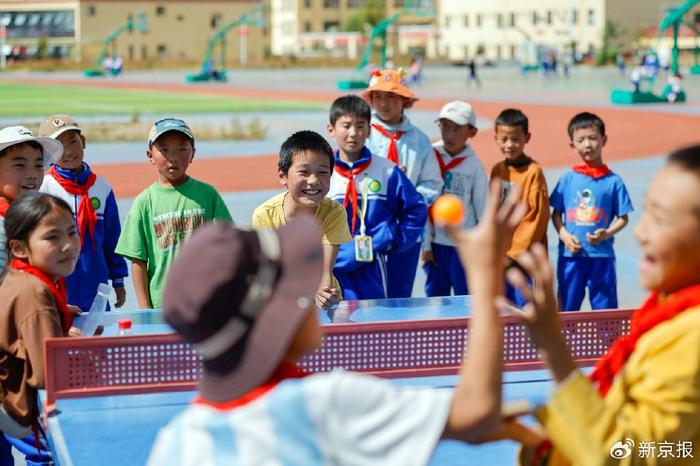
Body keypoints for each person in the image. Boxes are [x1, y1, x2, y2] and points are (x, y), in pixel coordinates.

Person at [147, 179, 528, 466]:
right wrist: (485, 275)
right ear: (274, 317)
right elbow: (476, 411)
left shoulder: (176, 441)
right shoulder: (325, 404)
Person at [500, 145, 700, 466]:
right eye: (647, 212)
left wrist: (554, 349)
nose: (641, 231)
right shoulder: (667, 309)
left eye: (660, 219)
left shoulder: (691, 339)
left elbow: (621, 455)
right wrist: (547, 441)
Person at [115, 118, 232, 310]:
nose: (173, 157)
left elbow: (227, 246)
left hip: (206, 301)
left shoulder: (208, 195)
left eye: (181, 149)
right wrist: (145, 308)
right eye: (164, 150)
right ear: (150, 155)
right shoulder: (144, 202)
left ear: (193, 153)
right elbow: (138, 261)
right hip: (163, 305)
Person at [0, 193, 81, 465]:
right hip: (15, 408)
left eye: (72, 232)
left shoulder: (18, 275)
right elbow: (48, 375)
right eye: (52, 238)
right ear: (20, 248)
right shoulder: (35, 294)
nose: (69, 246)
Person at [327, 95, 427, 300]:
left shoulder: (387, 171)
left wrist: (392, 241)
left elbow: (416, 210)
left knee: (374, 321)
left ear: (369, 130)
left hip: (371, 265)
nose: (353, 133)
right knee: (334, 324)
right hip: (331, 264)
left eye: (360, 126)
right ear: (331, 129)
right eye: (346, 125)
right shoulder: (322, 173)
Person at [363, 68, 442, 298]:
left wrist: (409, 196)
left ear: (405, 101)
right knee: (369, 294)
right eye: (378, 96)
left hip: (407, 228)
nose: (384, 103)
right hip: (370, 226)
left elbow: (433, 182)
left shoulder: (419, 140)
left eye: (391, 97)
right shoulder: (363, 134)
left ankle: (396, 334)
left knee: (400, 295)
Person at [38, 115, 128, 313]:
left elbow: (113, 239)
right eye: (59, 146)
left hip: (95, 287)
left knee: (98, 338)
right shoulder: (43, 188)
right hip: (58, 286)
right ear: (48, 154)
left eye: (73, 141)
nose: (69, 150)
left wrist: (119, 279)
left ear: (84, 142)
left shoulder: (102, 187)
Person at [252, 130, 351, 310]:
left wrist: (325, 293)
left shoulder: (334, 212)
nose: (313, 180)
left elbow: (325, 272)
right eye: (304, 172)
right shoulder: (264, 215)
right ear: (283, 176)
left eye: (322, 172)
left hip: (324, 306)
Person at [550, 112, 633, 311]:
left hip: (602, 257)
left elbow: (623, 218)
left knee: (605, 310)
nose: (587, 144)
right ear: (572, 144)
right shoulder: (567, 179)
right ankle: (564, 342)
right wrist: (564, 235)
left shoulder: (614, 182)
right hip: (571, 257)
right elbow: (556, 214)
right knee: (566, 309)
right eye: (581, 140)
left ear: (603, 140)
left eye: (593, 138)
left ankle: (608, 343)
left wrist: (607, 233)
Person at [423, 101, 488, 297]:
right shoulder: (429, 156)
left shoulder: (474, 166)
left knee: (466, 298)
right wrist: (425, 246)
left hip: (463, 246)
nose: (449, 135)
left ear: (472, 132)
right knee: (435, 300)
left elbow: (482, 207)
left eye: (457, 129)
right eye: (445, 127)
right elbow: (422, 204)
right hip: (434, 245)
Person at [490, 108, 550, 307]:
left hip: (524, 258)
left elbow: (537, 216)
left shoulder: (533, 171)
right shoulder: (498, 170)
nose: (509, 145)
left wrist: (515, 254)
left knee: (524, 306)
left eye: (515, 139)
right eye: (504, 139)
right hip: (502, 256)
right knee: (502, 306)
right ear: (496, 139)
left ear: (527, 137)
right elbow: (493, 210)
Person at [0, 126, 62, 276]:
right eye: (20, 165)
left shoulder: (27, 218)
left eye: (38, 165)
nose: (32, 174)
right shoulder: (3, 226)